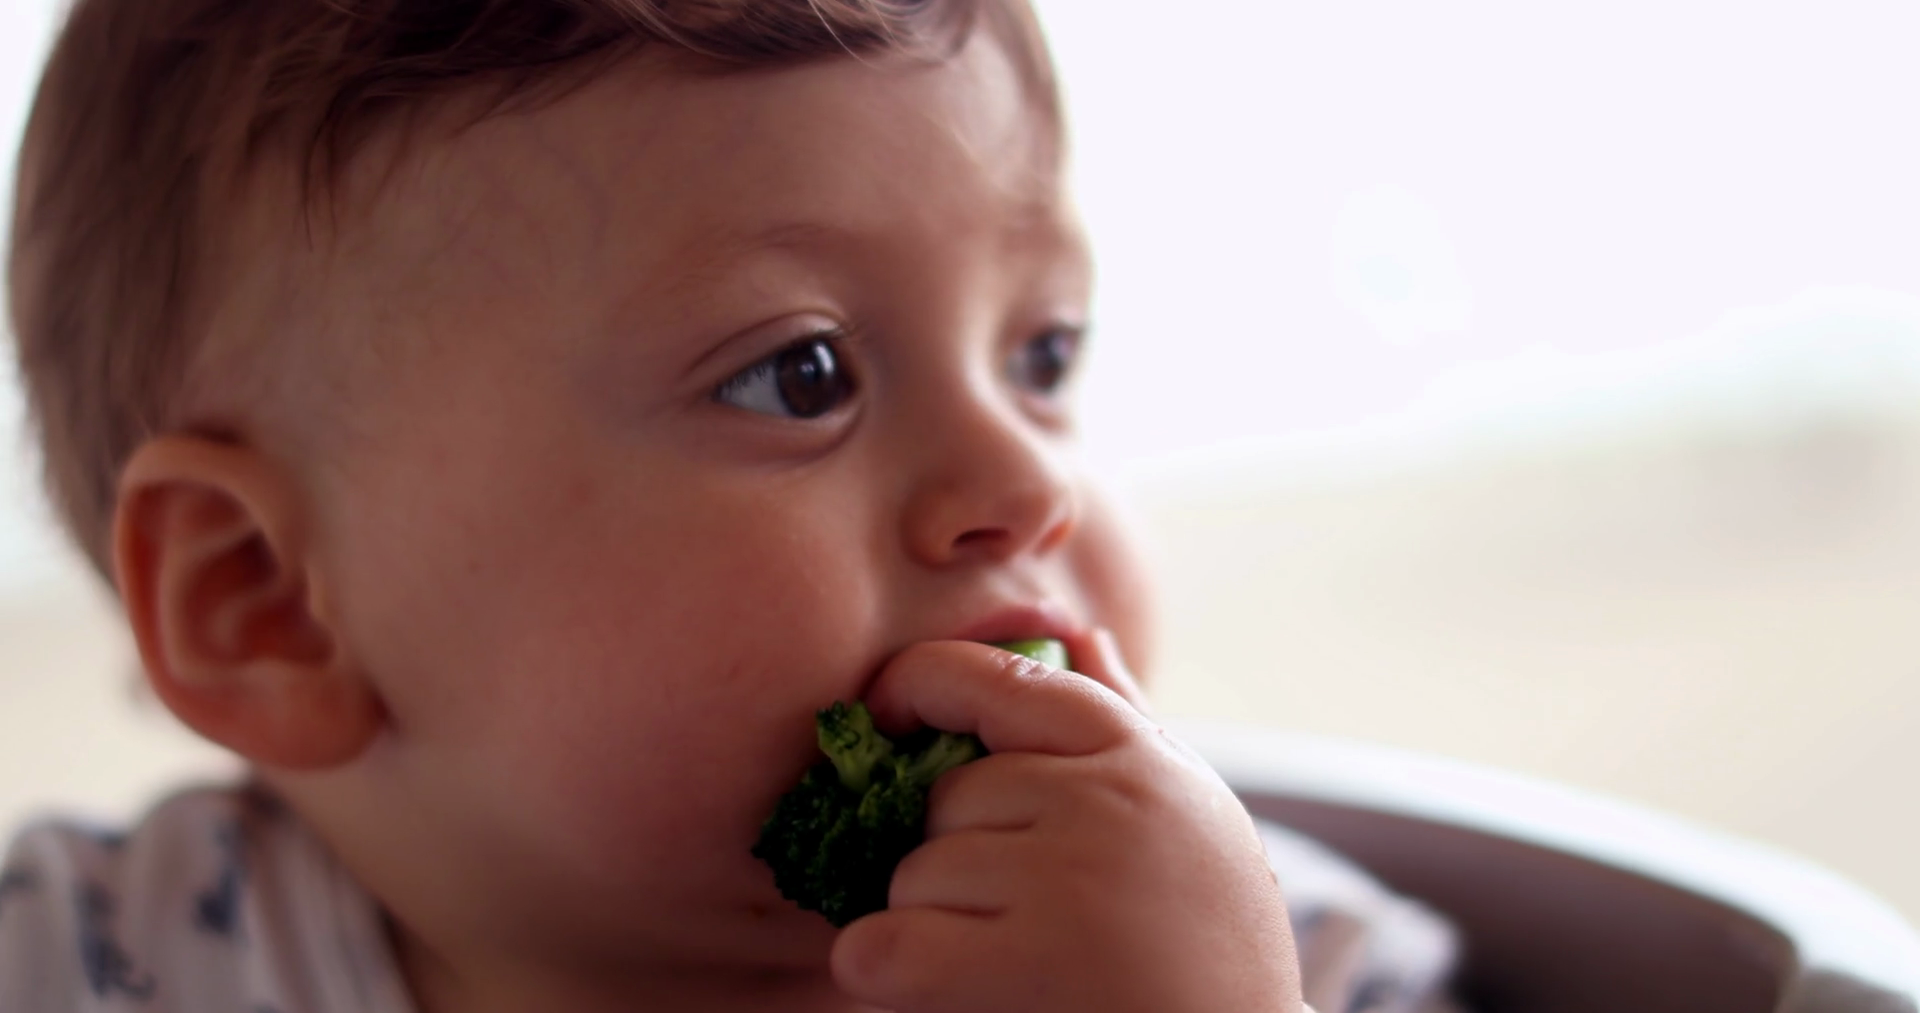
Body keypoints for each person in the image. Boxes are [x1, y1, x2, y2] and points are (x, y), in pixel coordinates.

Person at [1, 1, 1457, 1010]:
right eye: (798, 376)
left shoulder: (1275, 966)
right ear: (265, 601)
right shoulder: (90, 964)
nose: (1028, 486)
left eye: (1042, 357)